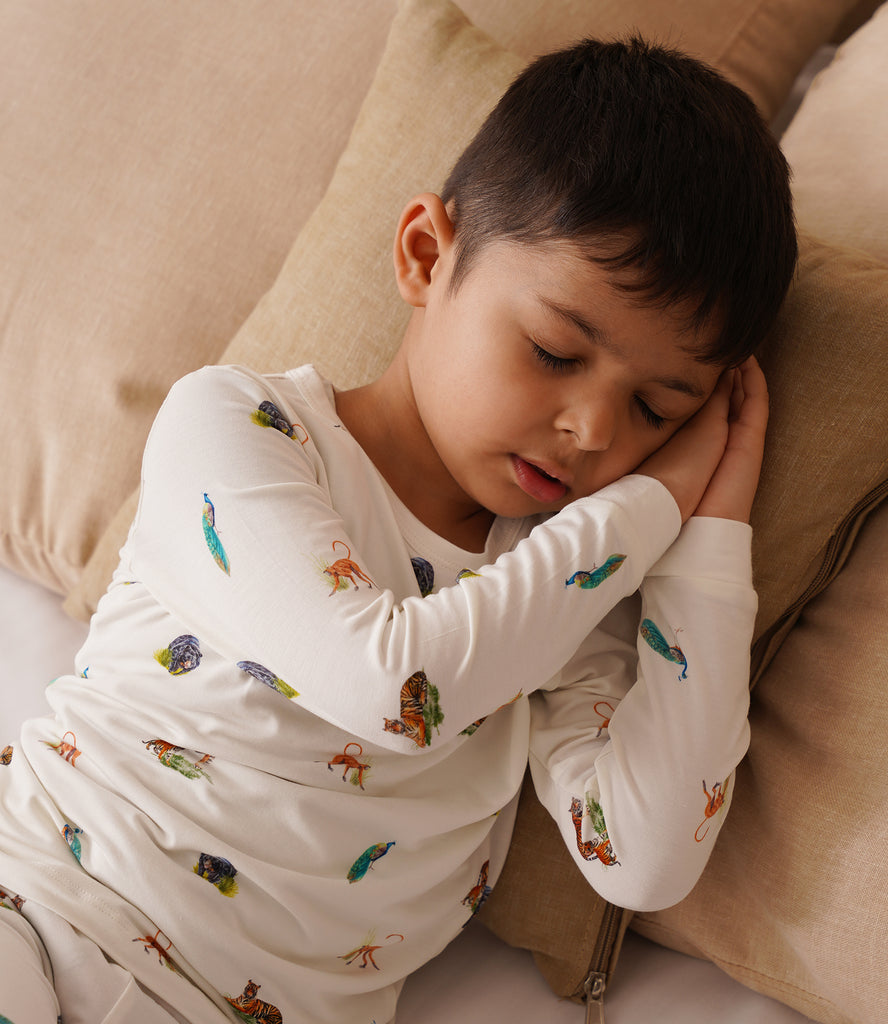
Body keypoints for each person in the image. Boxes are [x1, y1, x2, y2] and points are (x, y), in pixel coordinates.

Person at [0, 35, 796, 1024]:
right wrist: (654, 501)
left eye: (656, 412)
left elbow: (644, 856)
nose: (593, 429)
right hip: (35, 911)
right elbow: (398, 687)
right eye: (553, 350)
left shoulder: (555, 598)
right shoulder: (242, 431)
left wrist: (709, 541)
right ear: (427, 254)